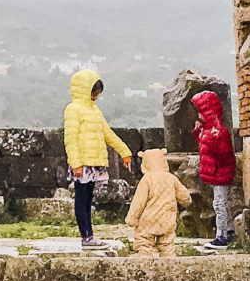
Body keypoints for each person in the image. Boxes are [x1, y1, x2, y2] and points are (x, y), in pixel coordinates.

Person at [63, 68, 131, 249]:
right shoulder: (73, 110)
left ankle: (89, 236)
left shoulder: (95, 111)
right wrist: (75, 163)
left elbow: (108, 134)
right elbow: (70, 139)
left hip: (94, 164)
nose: (95, 97)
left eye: (97, 94)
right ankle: (86, 237)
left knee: (88, 200)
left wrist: (124, 151)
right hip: (82, 164)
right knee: (82, 200)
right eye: (93, 93)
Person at [124, 145, 190, 256]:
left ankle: (145, 261)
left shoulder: (147, 179)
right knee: (167, 244)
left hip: (148, 218)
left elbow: (139, 202)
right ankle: (169, 264)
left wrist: (132, 218)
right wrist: (186, 202)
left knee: (144, 241)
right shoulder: (171, 178)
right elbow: (184, 196)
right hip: (167, 218)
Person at [192, 88, 237, 249]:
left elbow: (223, 153)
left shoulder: (219, 132)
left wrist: (214, 139)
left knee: (220, 205)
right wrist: (198, 132)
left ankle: (221, 236)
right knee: (223, 203)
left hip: (220, 173)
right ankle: (230, 231)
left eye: (200, 112)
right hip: (215, 173)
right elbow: (203, 145)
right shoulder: (208, 130)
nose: (198, 115)